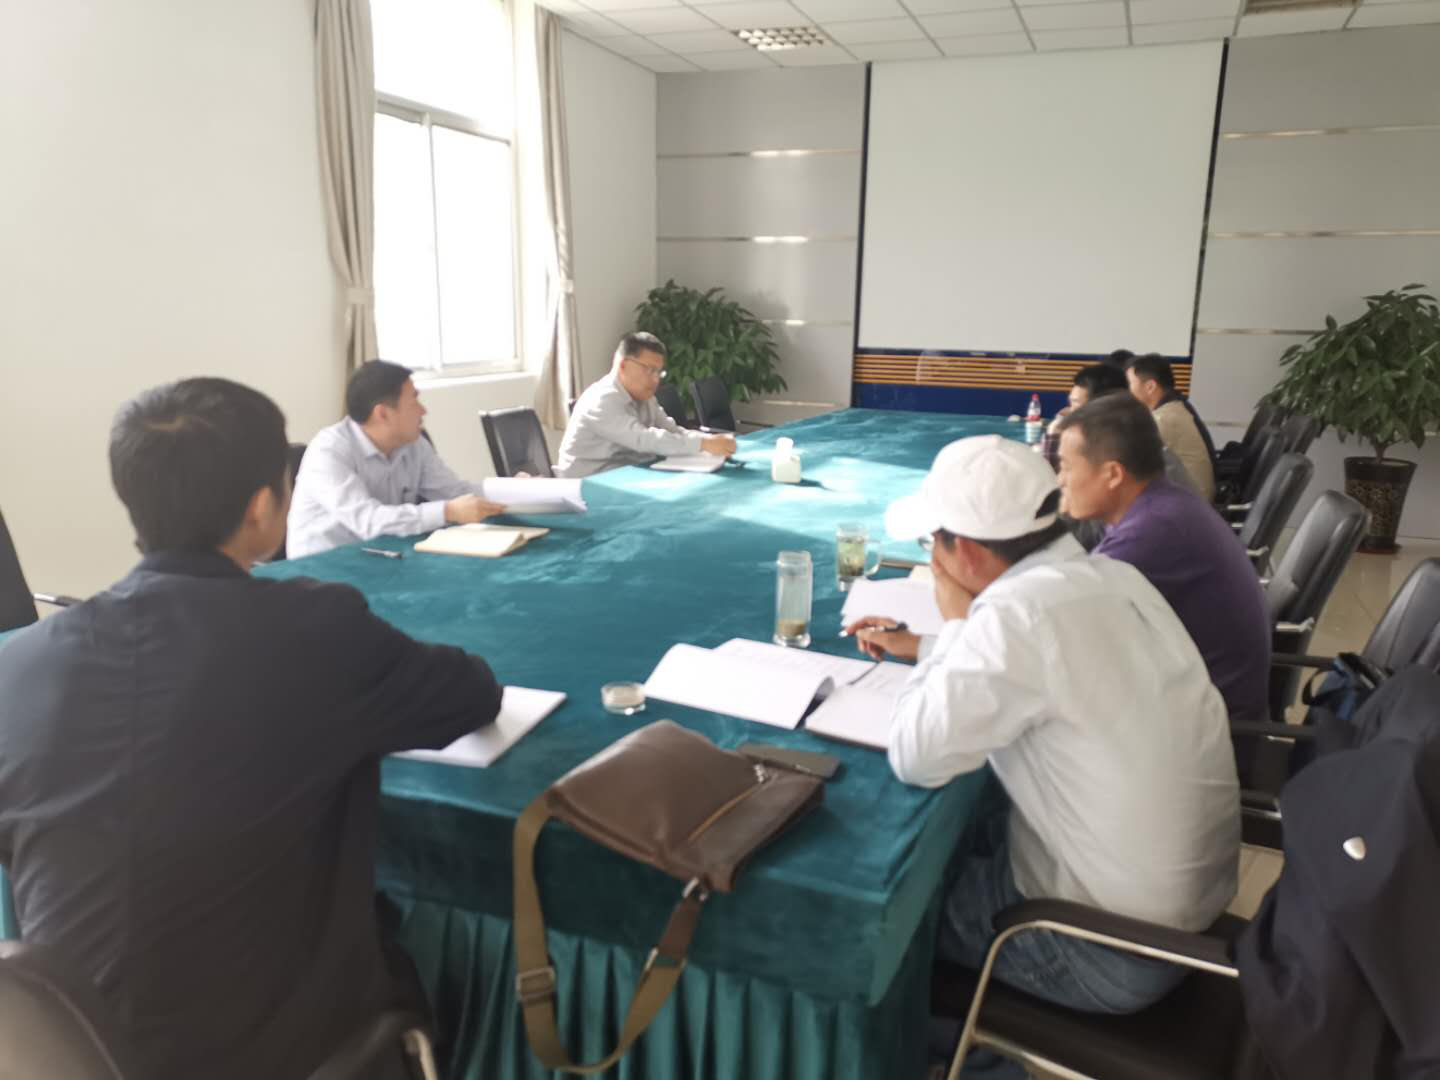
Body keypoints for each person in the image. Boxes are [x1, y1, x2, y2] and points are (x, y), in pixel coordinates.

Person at [0, 378, 503, 1080]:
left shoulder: (17, 666)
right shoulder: (313, 630)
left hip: (70, 1054)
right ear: (265, 505)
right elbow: (472, 694)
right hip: (298, 1054)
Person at [853, 436, 1239, 1044]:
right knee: (956, 835)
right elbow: (1049, 672)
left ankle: (951, 1057)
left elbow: (915, 756)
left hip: (1099, 948)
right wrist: (927, 646)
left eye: (932, 546)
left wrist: (954, 625)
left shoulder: (1016, 616)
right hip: (1180, 923)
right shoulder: (1113, 576)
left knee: (877, 913)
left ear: (967, 553)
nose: (933, 562)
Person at [1055, 393, 1271, 732]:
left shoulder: (1152, 533)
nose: (1060, 480)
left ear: (1113, 474)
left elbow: (1060, 630)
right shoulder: (1164, 503)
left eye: (1067, 467)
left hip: (1207, 732)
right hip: (1197, 705)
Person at [286, 359, 506, 557]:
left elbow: (456, 493)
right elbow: (369, 522)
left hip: (381, 556)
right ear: (382, 414)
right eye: (414, 402)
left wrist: (515, 489)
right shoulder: (328, 451)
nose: (423, 410)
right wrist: (447, 511)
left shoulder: (414, 444)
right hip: (320, 569)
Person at [556, 333, 737, 478]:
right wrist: (703, 443)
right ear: (623, 366)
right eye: (650, 370)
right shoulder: (601, 399)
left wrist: (711, 441)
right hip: (586, 486)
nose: (656, 379)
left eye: (659, 372)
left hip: (627, 476)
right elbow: (643, 438)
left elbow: (672, 431)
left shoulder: (645, 396)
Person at [1125, 354, 1216, 500]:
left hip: (1189, 505)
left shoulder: (1165, 419)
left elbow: (1125, 458)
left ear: (1150, 387)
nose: (1126, 391)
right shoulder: (1172, 409)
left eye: (1129, 383)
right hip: (1188, 499)